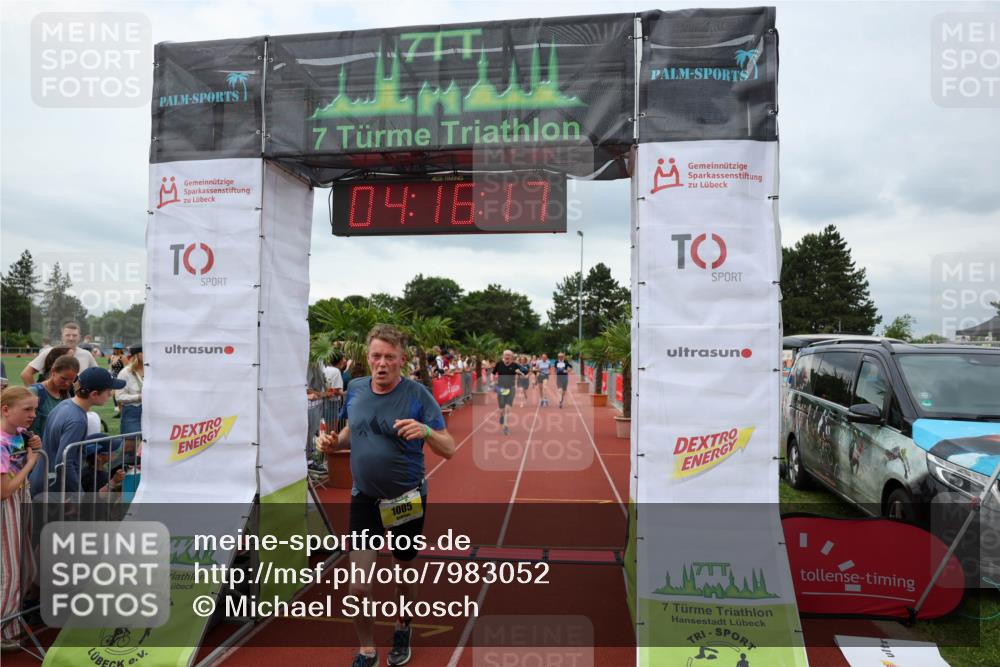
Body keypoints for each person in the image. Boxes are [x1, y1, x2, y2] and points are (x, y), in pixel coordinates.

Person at [316, 324, 455, 667]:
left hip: (404, 499)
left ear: (401, 360)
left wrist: (425, 431)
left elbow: (449, 448)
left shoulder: (417, 395)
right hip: (364, 499)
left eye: (389, 357)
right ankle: (367, 651)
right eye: (376, 356)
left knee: (402, 576)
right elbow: (352, 430)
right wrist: (335, 442)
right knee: (358, 588)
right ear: (368, 357)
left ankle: (402, 626)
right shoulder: (356, 389)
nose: (382, 363)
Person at [29, 367, 124, 499]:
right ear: (94, 394)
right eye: (108, 391)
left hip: (42, 480)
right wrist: (78, 496)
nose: (110, 395)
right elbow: (65, 462)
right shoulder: (77, 419)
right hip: (53, 489)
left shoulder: (65, 404)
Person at [1, 387, 42, 652]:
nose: (33, 415)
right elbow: (3, 491)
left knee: (26, 569)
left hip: (17, 504)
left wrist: (32, 444)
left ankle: (11, 624)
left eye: (35, 409)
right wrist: (31, 462)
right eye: (26, 409)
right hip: (6, 508)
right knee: (10, 573)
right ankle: (5, 629)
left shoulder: (17, 434)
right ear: (6, 410)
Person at [19, 322, 97, 385]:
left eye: (74, 335)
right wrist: (35, 395)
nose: (71, 338)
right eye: (68, 335)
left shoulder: (86, 354)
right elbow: (26, 374)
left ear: (79, 337)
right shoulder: (49, 352)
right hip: (53, 401)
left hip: (76, 401)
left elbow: (97, 375)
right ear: (62, 336)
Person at [27, 355, 80, 435]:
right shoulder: (34, 392)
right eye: (63, 378)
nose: (67, 383)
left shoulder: (66, 396)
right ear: (53, 371)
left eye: (71, 379)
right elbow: (18, 425)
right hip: (35, 446)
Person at [116, 347, 143, 439]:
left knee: (151, 445)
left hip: (151, 412)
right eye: (145, 352)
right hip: (132, 411)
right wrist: (139, 397)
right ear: (137, 355)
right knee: (130, 446)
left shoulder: (152, 371)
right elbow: (119, 397)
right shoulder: (125, 373)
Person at [493, 349, 519, 435]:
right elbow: (493, 374)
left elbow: (526, 373)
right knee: (501, 408)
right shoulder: (499, 364)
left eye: (509, 355)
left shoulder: (515, 365)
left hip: (511, 388)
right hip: (501, 388)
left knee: (507, 408)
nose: (507, 356)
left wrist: (522, 374)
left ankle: (505, 426)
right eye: (506, 355)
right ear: (503, 356)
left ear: (512, 357)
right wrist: (493, 382)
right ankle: (501, 415)